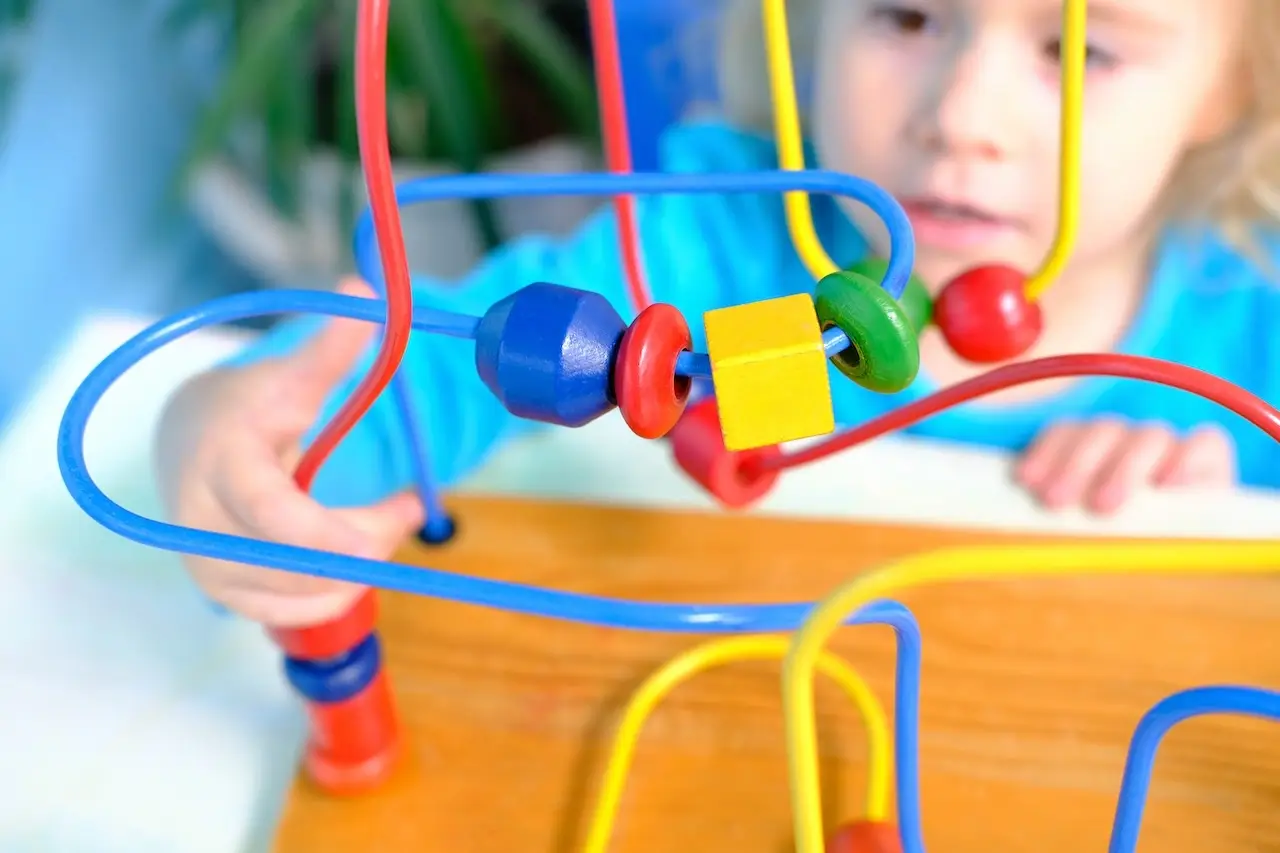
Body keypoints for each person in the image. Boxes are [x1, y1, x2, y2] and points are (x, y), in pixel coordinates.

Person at [155, 0, 1278, 629]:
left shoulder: (1251, 332)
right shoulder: (696, 264)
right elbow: (419, 372)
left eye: (1079, 50)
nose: (963, 119)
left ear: (1229, 82)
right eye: (903, 17)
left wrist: (1212, 521)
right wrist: (236, 433)